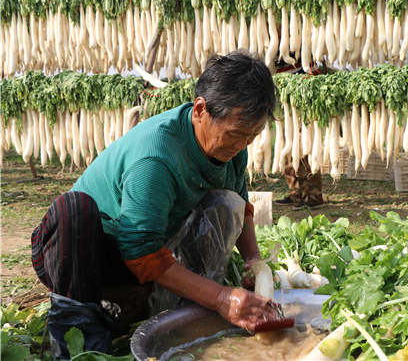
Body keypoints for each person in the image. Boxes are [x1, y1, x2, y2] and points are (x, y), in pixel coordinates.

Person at [31, 50, 279, 359]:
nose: (242, 146)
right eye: (236, 134)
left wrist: (254, 260)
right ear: (201, 109)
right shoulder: (158, 155)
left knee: (224, 203)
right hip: (80, 257)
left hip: (143, 254)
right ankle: (79, 334)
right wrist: (219, 298)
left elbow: (240, 207)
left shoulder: (232, 149)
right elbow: (140, 251)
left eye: (251, 136)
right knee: (73, 209)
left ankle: (179, 309)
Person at [273, 53, 326, 210]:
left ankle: (314, 197)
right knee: (288, 148)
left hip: (304, 97)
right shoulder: (276, 46)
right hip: (286, 99)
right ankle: (296, 194)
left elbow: (314, 72)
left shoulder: (302, 43)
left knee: (305, 148)